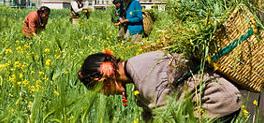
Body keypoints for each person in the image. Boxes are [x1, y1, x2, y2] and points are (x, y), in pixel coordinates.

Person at [77, 50, 242, 122]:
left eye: (100, 90)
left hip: (215, 103)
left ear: (107, 76)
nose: (105, 95)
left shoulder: (144, 77)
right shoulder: (136, 77)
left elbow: (167, 117)